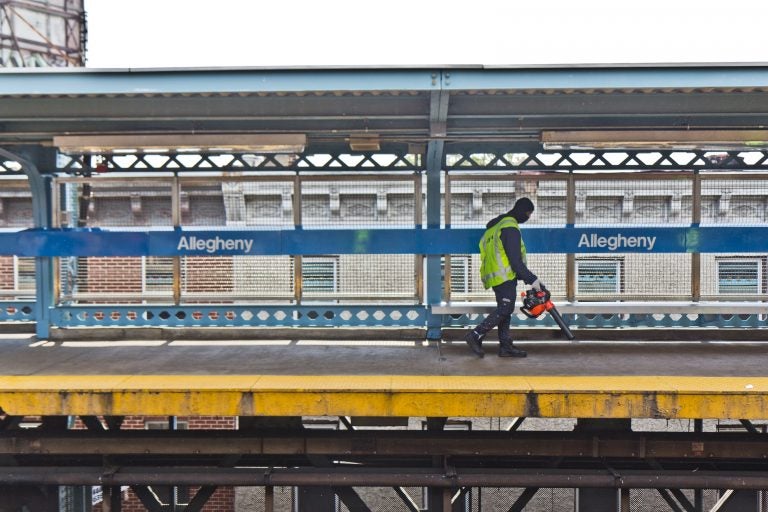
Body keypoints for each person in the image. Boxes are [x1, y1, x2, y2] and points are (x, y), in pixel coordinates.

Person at [464, 197, 543, 358]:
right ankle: (476, 334)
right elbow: (515, 260)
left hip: (496, 276)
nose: (528, 217)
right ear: (522, 211)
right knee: (506, 308)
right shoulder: (510, 227)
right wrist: (532, 279)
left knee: (505, 310)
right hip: (504, 276)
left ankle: (505, 346)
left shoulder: (495, 226)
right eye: (528, 213)